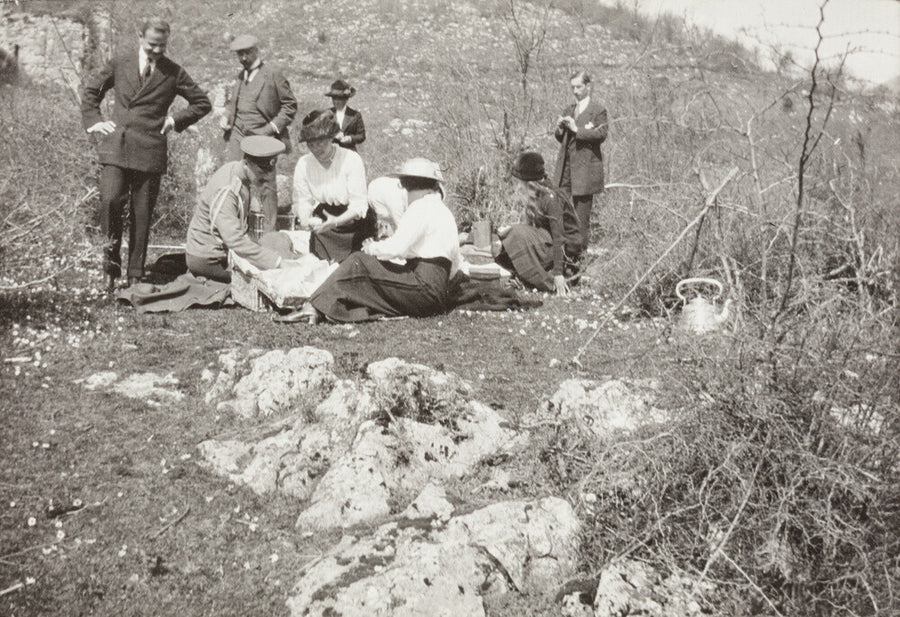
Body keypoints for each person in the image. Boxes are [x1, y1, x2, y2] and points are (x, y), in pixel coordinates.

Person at [81, 18, 211, 291]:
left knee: (142, 213)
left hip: (150, 149)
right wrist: (95, 121)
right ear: (140, 36)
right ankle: (110, 268)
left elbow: (202, 103)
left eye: (162, 46)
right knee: (110, 202)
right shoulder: (121, 62)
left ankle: (136, 274)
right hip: (118, 146)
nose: (156, 51)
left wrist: (175, 120)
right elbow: (92, 90)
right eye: (152, 45)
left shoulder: (173, 72)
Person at [282, 158, 460, 324]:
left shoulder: (420, 206)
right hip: (436, 291)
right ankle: (323, 306)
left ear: (408, 185)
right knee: (369, 276)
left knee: (358, 261)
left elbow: (396, 247)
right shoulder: (442, 211)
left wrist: (371, 248)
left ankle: (313, 306)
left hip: (423, 287)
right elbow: (453, 262)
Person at [185, 136, 297, 283]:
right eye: (260, 176)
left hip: (224, 251)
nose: (262, 180)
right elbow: (234, 240)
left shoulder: (238, 172)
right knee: (266, 277)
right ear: (246, 163)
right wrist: (276, 262)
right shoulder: (227, 190)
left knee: (278, 242)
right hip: (209, 259)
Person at [220, 34, 297, 233]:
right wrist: (227, 116)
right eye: (239, 54)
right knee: (235, 182)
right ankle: (236, 231)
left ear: (256, 51)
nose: (243, 58)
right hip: (237, 136)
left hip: (262, 139)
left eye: (246, 53)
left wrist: (271, 128)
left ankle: (270, 235)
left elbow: (290, 106)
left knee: (266, 186)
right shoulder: (240, 76)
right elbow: (234, 103)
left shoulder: (273, 74)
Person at [497, 152, 584, 296]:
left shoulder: (551, 198)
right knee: (508, 237)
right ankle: (524, 276)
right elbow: (532, 229)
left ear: (528, 182)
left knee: (516, 234)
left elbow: (559, 238)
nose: (518, 185)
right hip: (547, 242)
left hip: (566, 252)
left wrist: (558, 274)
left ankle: (545, 279)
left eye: (520, 181)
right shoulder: (535, 195)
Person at [292, 109, 374, 262]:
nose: (316, 149)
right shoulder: (304, 164)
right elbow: (303, 200)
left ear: (331, 138)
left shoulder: (351, 159)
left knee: (353, 268)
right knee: (321, 268)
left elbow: (359, 205)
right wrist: (305, 220)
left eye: (321, 142)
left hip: (354, 224)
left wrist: (336, 221)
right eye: (311, 144)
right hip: (324, 224)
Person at [552, 70, 608, 248]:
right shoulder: (569, 109)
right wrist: (560, 128)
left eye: (579, 87)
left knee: (580, 219)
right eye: (572, 87)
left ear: (588, 87)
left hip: (585, 173)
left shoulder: (598, 110)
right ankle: (561, 256)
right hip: (565, 171)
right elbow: (562, 138)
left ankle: (577, 261)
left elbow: (601, 134)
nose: (575, 91)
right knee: (559, 213)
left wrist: (577, 129)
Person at [325, 79, 366, 151]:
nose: (336, 102)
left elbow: (361, 136)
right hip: (330, 152)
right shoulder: (327, 113)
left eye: (339, 99)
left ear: (346, 99)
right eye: (334, 98)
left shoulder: (355, 115)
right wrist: (333, 135)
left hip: (349, 151)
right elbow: (319, 132)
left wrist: (350, 138)